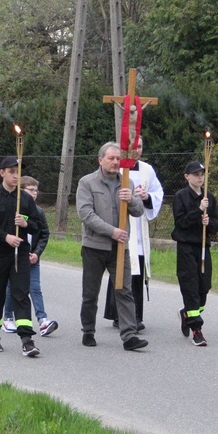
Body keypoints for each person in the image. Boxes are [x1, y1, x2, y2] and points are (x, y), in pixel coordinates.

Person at [76, 142, 148, 351]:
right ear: (101, 160)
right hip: (94, 246)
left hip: (120, 248)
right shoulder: (87, 182)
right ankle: (88, 330)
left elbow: (138, 211)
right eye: (111, 158)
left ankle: (129, 335)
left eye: (118, 159)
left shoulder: (127, 183)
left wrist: (131, 199)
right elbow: (86, 215)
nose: (116, 162)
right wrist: (112, 231)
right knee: (91, 293)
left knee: (124, 291)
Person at [0, 157, 42, 357]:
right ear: (2, 173)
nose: (16, 176)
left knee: (21, 293)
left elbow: (37, 224)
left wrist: (25, 225)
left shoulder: (24, 198)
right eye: (12, 171)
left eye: (18, 172)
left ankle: (27, 339)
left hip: (20, 254)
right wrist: (5, 236)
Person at [104, 137, 164, 330]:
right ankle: (117, 315)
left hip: (139, 228)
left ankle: (135, 316)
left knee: (136, 272)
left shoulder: (147, 170)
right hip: (121, 224)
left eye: (139, 146)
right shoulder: (116, 166)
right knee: (120, 269)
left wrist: (146, 197)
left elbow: (157, 193)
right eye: (133, 146)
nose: (136, 150)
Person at [2, 176, 58, 337]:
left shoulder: (38, 212)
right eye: (30, 190)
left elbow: (44, 234)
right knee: (11, 287)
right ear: (21, 191)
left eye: (36, 191)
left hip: (31, 257)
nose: (34, 194)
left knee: (35, 287)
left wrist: (37, 253)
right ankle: (8, 317)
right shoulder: (12, 210)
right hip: (13, 256)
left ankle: (43, 321)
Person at [172, 161, 218, 347]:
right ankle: (197, 330)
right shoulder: (180, 197)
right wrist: (198, 211)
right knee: (190, 286)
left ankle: (187, 313)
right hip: (186, 247)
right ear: (187, 177)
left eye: (202, 174)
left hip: (202, 246)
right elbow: (181, 223)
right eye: (195, 174)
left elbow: (215, 225)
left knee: (204, 287)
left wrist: (209, 223)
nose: (199, 177)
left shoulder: (210, 198)